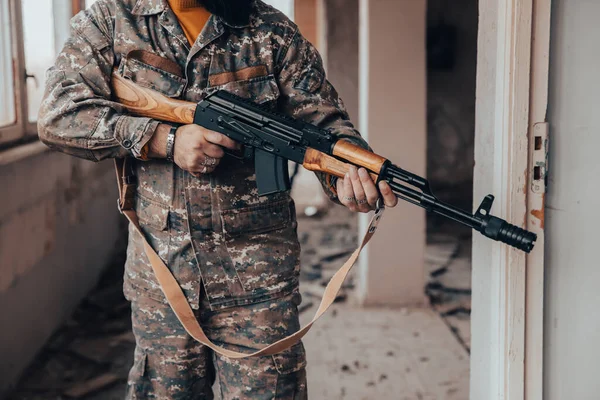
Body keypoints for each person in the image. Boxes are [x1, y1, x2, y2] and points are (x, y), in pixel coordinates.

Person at [38, 0, 398, 398]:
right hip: (163, 278)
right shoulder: (112, 20)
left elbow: (323, 124)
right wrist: (163, 140)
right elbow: (59, 115)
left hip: (259, 282)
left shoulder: (272, 31)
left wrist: (348, 176)